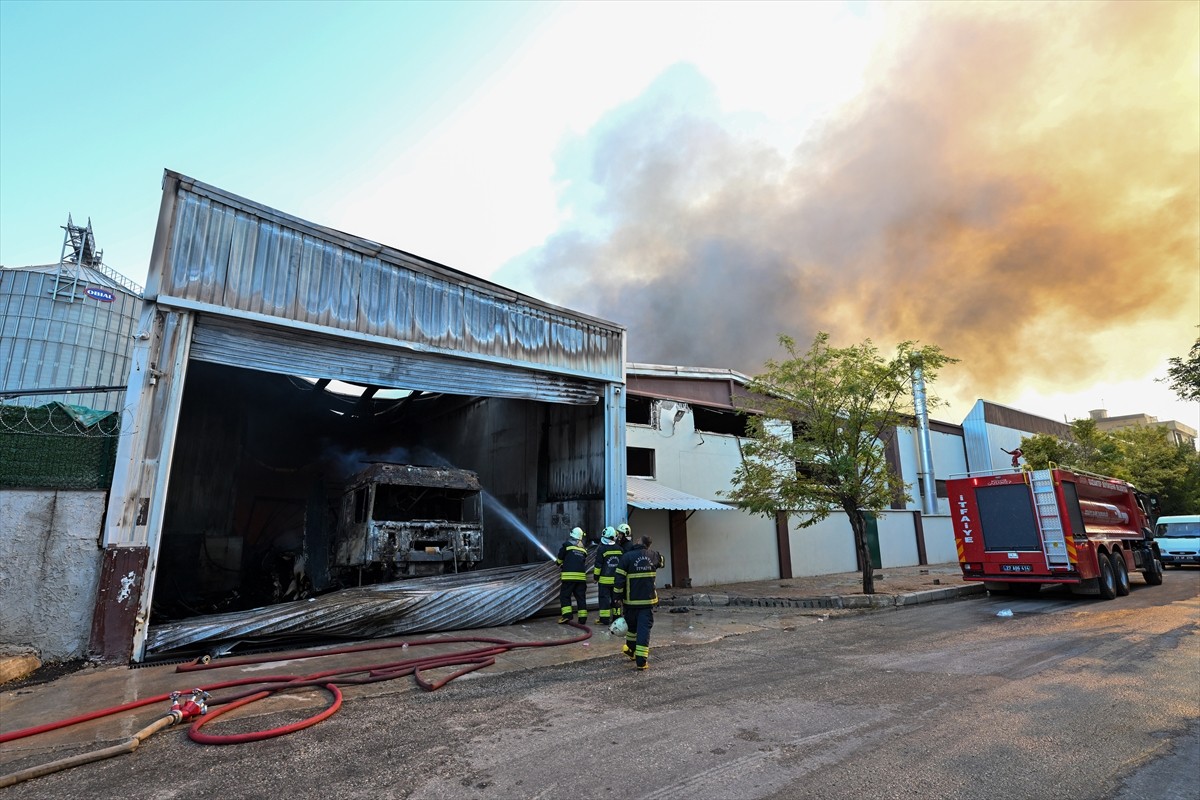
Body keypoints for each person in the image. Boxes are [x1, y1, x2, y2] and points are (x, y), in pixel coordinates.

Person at [613, 534, 664, 671]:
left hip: (630, 601)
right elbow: (662, 562)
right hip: (647, 601)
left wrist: (617, 597)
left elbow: (619, 579)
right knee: (643, 630)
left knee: (632, 628)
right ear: (649, 545)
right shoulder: (653, 555)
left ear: (638, 542)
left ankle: (631, 650)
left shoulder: (627, 557)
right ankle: (641, 661)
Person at [555, 526, 589, 624]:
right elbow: (579, 561)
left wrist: (559, 563)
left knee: (565, 596)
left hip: (569, 577)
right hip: (581, 578)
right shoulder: (583, 550)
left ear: (572, 536)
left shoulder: (567, 545)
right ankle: (582, 619)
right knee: (581, 597)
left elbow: (559, 560)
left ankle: (567, 616)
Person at [592, 527, 624, 627]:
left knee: (604, 599)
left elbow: (598, 565)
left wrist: (595, 577)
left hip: (604, 581)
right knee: (616, 599)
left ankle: (604, 620)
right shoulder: (620, 549)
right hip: (616, 581)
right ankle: (617, 617)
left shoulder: (602, 549)